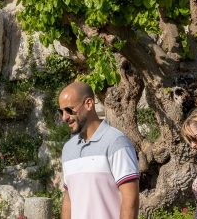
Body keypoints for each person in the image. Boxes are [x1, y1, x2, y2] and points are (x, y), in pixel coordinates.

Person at [58, 81, 139, 219]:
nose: (64, 117)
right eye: (61, 111)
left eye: (69, 110)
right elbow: (69, 199)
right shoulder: (68, 149)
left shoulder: (116, 142)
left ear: (89, 104)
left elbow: (130, 199)